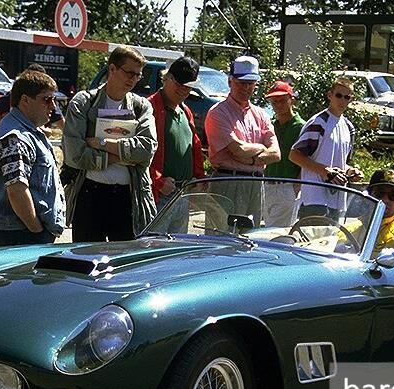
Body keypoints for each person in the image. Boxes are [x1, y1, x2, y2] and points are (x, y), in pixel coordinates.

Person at [62, 46, 157, 242]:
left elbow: (147, 150)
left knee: (125, 259)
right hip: (90, 194)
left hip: (128, 197)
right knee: (87, 257)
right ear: (112, 69)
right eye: (129, 73)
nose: (133, 79)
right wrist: (125, 156)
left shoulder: (141, 106)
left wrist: (101, 143)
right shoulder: (83, 102)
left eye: (138, 75)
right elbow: (74, 155)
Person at [0, 70, 65, 246]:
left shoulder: (28, 132)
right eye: (46, 99)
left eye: (54, 100)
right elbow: (16, 190)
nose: (53, 107)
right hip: (18, 235)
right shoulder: (15, 138)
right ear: (25, 100)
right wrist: (36, 229)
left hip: (23, 233)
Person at [204, 55, 280, 224]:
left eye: (250, 83)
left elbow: (276, 154)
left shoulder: (261, 114)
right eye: (241, 83)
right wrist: (262, 147)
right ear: (230, 81)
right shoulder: (218, 113)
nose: (245, 88)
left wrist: (251, 159)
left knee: (250, 235)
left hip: (256, 182)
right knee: (222, 233)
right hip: (228, 181)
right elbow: (238, 150)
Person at [288, 77, 363, 219]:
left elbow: (342, 163)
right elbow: (294, 155)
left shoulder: (349, 127)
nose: (342, 100)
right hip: (314, 199)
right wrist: (325, 171)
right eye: (338, 95)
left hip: (337, 201)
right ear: (330, 95)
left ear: (351, 100)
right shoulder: (319, 122)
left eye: (346, 97)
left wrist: (351, 172)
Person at [146, 56, 205, 225]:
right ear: (167, 78)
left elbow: (194, 146)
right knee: (155, 240)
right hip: (158, 196)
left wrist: (199, 178)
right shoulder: (148, 107)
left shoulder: (185, 111)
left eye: (188, 86)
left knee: (179, 241)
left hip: (182, 194)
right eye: (180, 84)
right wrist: (157, 181)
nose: (184, 90)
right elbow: (137, 154)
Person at [263, 80, 304, 226]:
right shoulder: (270, 124)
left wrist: (296, 187)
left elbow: (308, 159)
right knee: (266, 230)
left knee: (278, 233)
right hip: (266, 185)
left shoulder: (301, 126)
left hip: (288, 186)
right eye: (274, 102)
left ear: (291, 99)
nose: (278, 105)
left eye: (282, 100)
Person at [0, 63, 64, 128]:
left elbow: (62, 123)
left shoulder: (48, 101)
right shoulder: (14, 135)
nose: (53, 105)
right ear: (25, 100)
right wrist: (3, 125)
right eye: (46, 99)